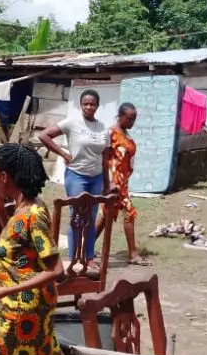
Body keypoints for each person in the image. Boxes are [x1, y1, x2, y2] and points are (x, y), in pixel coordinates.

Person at [0, 143, 77, 355]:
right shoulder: (21, 210)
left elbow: (56, 269)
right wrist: (1, 215)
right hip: (25, 309)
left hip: (23, 314)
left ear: (6, 177)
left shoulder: (34, 214)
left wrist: (1, 292)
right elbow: (21, 254)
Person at [38, 89, 109, 264]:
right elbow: (43, 135)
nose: (89, 107)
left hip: (96, 177)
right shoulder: (72, 123)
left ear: (97, 106)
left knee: (91, 218)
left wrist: (106, 183)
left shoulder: (103, 128)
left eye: (92, 104)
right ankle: (74, 257)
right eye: (85, 104)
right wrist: (63, 153)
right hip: (77, 175)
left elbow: (105, 159)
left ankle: (89, 257)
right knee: (77, 217)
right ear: (81, 105)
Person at [97, 102, 147, 265]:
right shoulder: (111, 133)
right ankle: (133, 254)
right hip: (113, 182)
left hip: (123, 182)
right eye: (129, 119)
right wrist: (108, 183)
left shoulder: (126, 134)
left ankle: (85, 247)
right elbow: (102, 158)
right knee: (128, 213)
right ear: (120, 116)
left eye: (134, 119)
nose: (132, 122)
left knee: (106, 216)